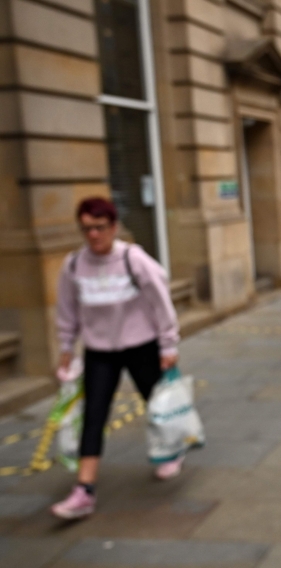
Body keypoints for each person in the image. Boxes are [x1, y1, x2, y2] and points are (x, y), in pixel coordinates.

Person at [51, 197, 181, 520]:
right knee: (94, 415)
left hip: (141, 345)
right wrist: (66, 347)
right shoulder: (73, 265)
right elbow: (67, 311)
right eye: (86, 229)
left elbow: (160, 300)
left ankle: (170, 452)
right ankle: (85, 489)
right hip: (99, 352)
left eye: (99, 227)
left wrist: (168, 345)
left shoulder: (132, 259)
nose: (93, 235)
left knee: (156, 404)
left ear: (113, 227)